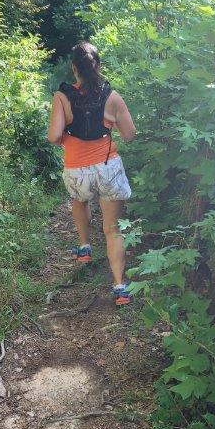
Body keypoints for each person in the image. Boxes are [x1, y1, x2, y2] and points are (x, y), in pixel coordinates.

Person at [47, 42, 136, 306]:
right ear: (97, 66)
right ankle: (120, 287)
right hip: (108, 167)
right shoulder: (112, 96)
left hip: (76, 168)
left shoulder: (62, 97)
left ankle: (84, 247)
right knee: (113, 229)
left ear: (74, 68)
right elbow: (130, 135)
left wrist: (68, 137)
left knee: (80, 200)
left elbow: (53, 136)